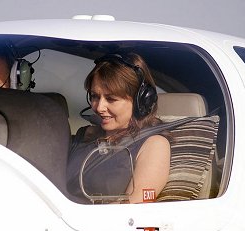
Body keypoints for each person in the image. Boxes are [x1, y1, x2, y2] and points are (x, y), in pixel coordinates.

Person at [66, 53, 171, 204]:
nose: (99, 107)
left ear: (141, 100)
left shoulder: (154, 145)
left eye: (111, 99)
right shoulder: (85, 135)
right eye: (95, 96)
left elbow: (137, 204)